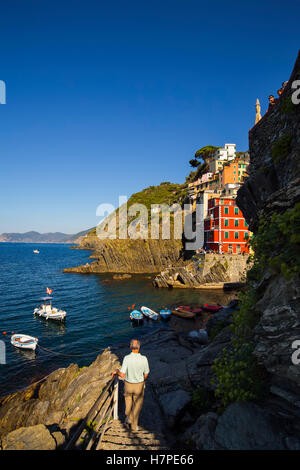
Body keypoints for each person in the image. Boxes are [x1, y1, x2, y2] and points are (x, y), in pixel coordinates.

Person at [112, 339, 149, 431]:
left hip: (128, 385)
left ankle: (128, 417)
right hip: (139, 385)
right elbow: (146, 373)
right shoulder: (144, 359)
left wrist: (116, 371)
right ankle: (133, 426)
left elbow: (122, 374)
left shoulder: (127, 358)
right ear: (139, 347)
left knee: (128, 403)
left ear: (130, 347)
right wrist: (143, 381)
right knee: (137, 406)